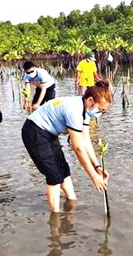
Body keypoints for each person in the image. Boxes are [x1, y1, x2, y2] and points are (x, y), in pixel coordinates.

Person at [21, 80, 112, 213]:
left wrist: (96, 166)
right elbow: (78, 148)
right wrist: (93, 177)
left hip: (49, 134)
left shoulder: (84, 110)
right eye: (101, 110)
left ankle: (72, 204)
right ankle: (56, 218)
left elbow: (86, 140)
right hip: (35, 131)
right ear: (91, 100)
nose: (100, 114)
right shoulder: (74, 110)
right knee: (53, 175)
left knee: (63, 169)